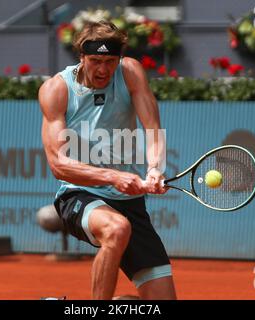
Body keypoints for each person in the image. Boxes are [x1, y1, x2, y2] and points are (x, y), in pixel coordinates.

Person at [39, 21, 176, 300]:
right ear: (82, 57)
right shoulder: (57, 89)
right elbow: (58, 165)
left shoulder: (130, 73)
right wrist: (113, 176)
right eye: (95, 60)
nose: (103, 70)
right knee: (116, 229)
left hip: (129, 203)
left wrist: (154, 170)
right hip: (78, 195)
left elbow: (152, 128)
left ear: (119, 58)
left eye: (110, 61)